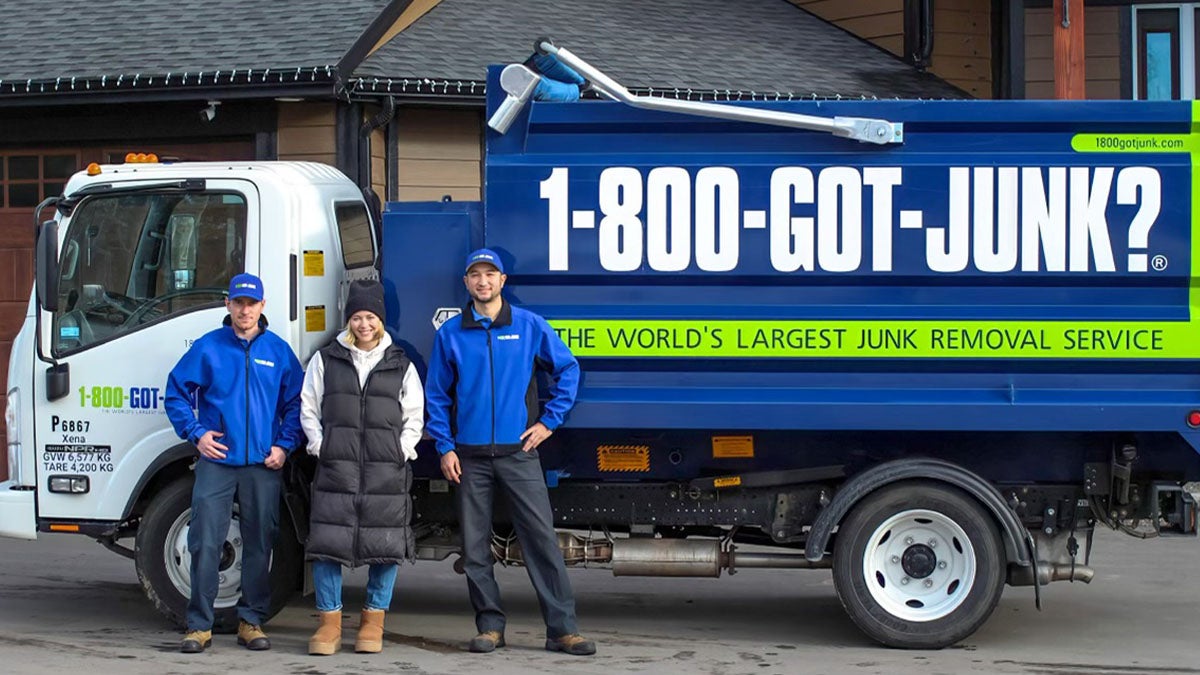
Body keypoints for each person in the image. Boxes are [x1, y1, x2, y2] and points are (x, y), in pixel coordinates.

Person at [425, 248, 596, 656]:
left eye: (490, 274)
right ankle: (490, 627)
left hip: (519, 453)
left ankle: (561, 630)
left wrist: (549, 422)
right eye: (475, 275)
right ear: (466, 283)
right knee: (475, 546)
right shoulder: (450, 334)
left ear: (503, 281)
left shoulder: (529, 326)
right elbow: (436, 395)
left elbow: (568, 369)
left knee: (540, 541)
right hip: (469, 458)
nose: (483, 282)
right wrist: (445, 447)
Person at [164, 272, 304, 653]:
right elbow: (176, 392)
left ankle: (251, 621)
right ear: (228, 305)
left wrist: (284, 446)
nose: (245, 310)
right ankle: (199, 625)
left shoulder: (277, 351)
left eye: (252, 303)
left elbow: (296, 404)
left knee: (260, 542)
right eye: (238, 303)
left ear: (262, 306)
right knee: (205, 541)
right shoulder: (208, 348)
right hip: (218, 461)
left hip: (262, 463)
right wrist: (197, 433)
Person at [300, 280, 424, 655]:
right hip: (337, 468)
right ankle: (329, 625)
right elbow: (308, 407)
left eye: (370, 316)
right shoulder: (326, 359)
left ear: (381, 320)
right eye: (357, 317)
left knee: (385, 546)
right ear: (348, 320)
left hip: (386, 470)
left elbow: (414, 415)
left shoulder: (401, 363)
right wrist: (322, 446)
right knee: (326, 544)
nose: (364, 324)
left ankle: (373, 623)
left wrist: (400, 450)